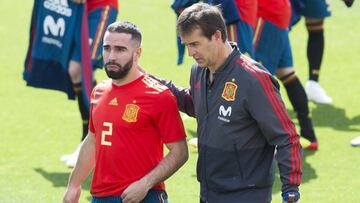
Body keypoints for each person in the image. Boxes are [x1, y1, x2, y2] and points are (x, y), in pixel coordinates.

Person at [159, 3, 302, 202]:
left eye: (195, 44)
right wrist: (161, 86)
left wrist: (290, 189)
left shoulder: (253, 79)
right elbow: (201, 106)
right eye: (186, 46)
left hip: (246, 193)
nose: (190, 53)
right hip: (209, 190)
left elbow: (287, 137)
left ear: (217, 36)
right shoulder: (199, 70)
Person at [62, 21, 188, 203]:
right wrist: (74, 185)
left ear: (138, 53)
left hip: (144, 197)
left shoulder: (159, 96)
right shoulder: (98, 92)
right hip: (100, 197)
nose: (111, 56)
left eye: (120, 50)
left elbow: (179, 152)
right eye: (107, 48)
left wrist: (145, 184)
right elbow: (92, 140)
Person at [253, 0, 318, 150]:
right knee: (286, 73)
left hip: (266, 14)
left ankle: (269, 141)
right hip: (279, 13)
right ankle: (308, 133)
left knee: (257, 80)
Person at [61, 0, 119, 167]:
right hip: (79, 8)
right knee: (75, 71)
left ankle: (94, 144)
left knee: (83, 69)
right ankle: (87, 141)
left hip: (101, 7)